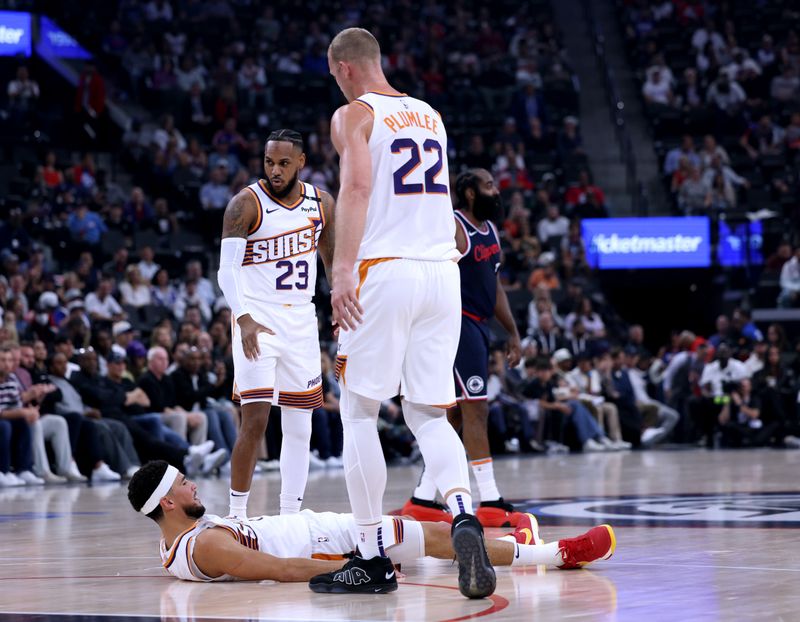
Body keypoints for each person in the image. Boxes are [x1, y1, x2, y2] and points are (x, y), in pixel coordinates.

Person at [317, 27, 495, 598]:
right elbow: (440, 206)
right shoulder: (430, 114)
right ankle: (464, 513)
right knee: (429, 415)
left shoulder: (354, 116)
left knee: (361, 412)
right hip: (441, 274)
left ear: (343, 68)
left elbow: (359, 188)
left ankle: (369, 556)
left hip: (386, 270)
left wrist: (342, 270)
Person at [128, 460, 616, 583]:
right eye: (182, 484)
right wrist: (348, 568)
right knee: (434, 536)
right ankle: (556, 555)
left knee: (432, 538)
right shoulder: (204, 547)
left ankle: (512, 544)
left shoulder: (181, 542)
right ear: (166, 504)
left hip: (323, 532)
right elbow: (277, 568)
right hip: (325, 541)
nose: (192, 486)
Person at [216, 129, 334, 519]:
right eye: (269, 162)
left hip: (301, 320)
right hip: (258, 319)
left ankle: (290, 517)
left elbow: (332, 265)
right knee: (256, 419)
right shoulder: (245, 204)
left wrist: (340, 311)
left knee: (301, 426)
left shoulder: (321, 204)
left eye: (284, 163)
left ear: (301, 161)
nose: (275, 170)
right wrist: (243, 317)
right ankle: (237, 516)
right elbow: (226, 272)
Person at [403, 169, 523, 528]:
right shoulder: (454, 226)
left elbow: (495, 286)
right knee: (476, 410)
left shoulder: (490, 230)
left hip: (479, 326)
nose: (496, 190)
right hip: (456, 323)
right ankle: (489, 500)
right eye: (488, 185)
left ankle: (423, 498)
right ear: (469, 193)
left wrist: (512, 333)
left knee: (454, 416)